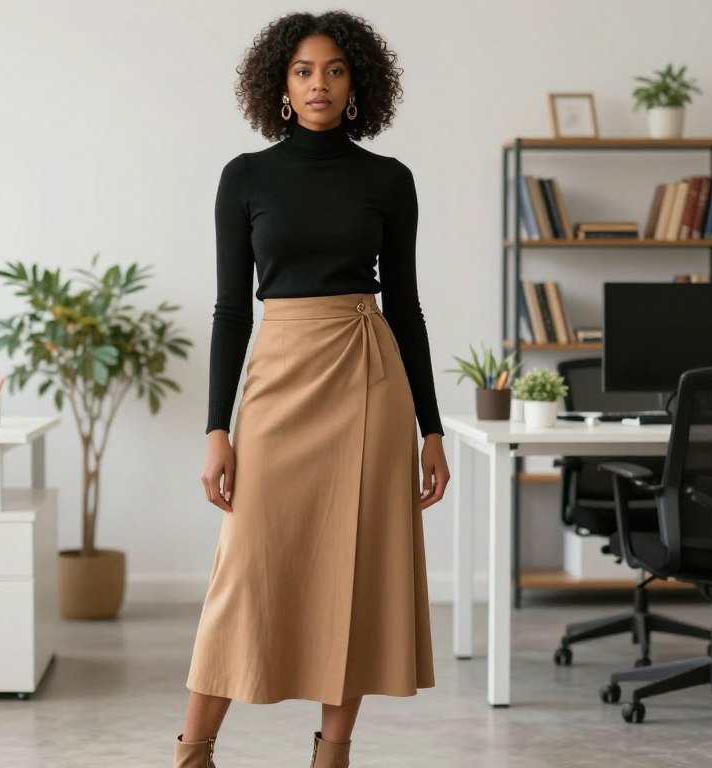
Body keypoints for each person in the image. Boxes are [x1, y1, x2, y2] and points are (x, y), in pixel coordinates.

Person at [176, 10, 451, 768]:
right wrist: (216, 429)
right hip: (278, 376)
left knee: (353, 575)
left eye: (334, 69)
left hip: (368, 378)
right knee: (245, 570)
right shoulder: (245, 176)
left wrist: (432, 428)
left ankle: (333, 754)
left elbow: (408, 307)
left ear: (357, 83)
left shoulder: (389, 181)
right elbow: (232, 310)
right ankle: (192, 752)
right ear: (281, 85)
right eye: (303, 71)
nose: (319, 84)